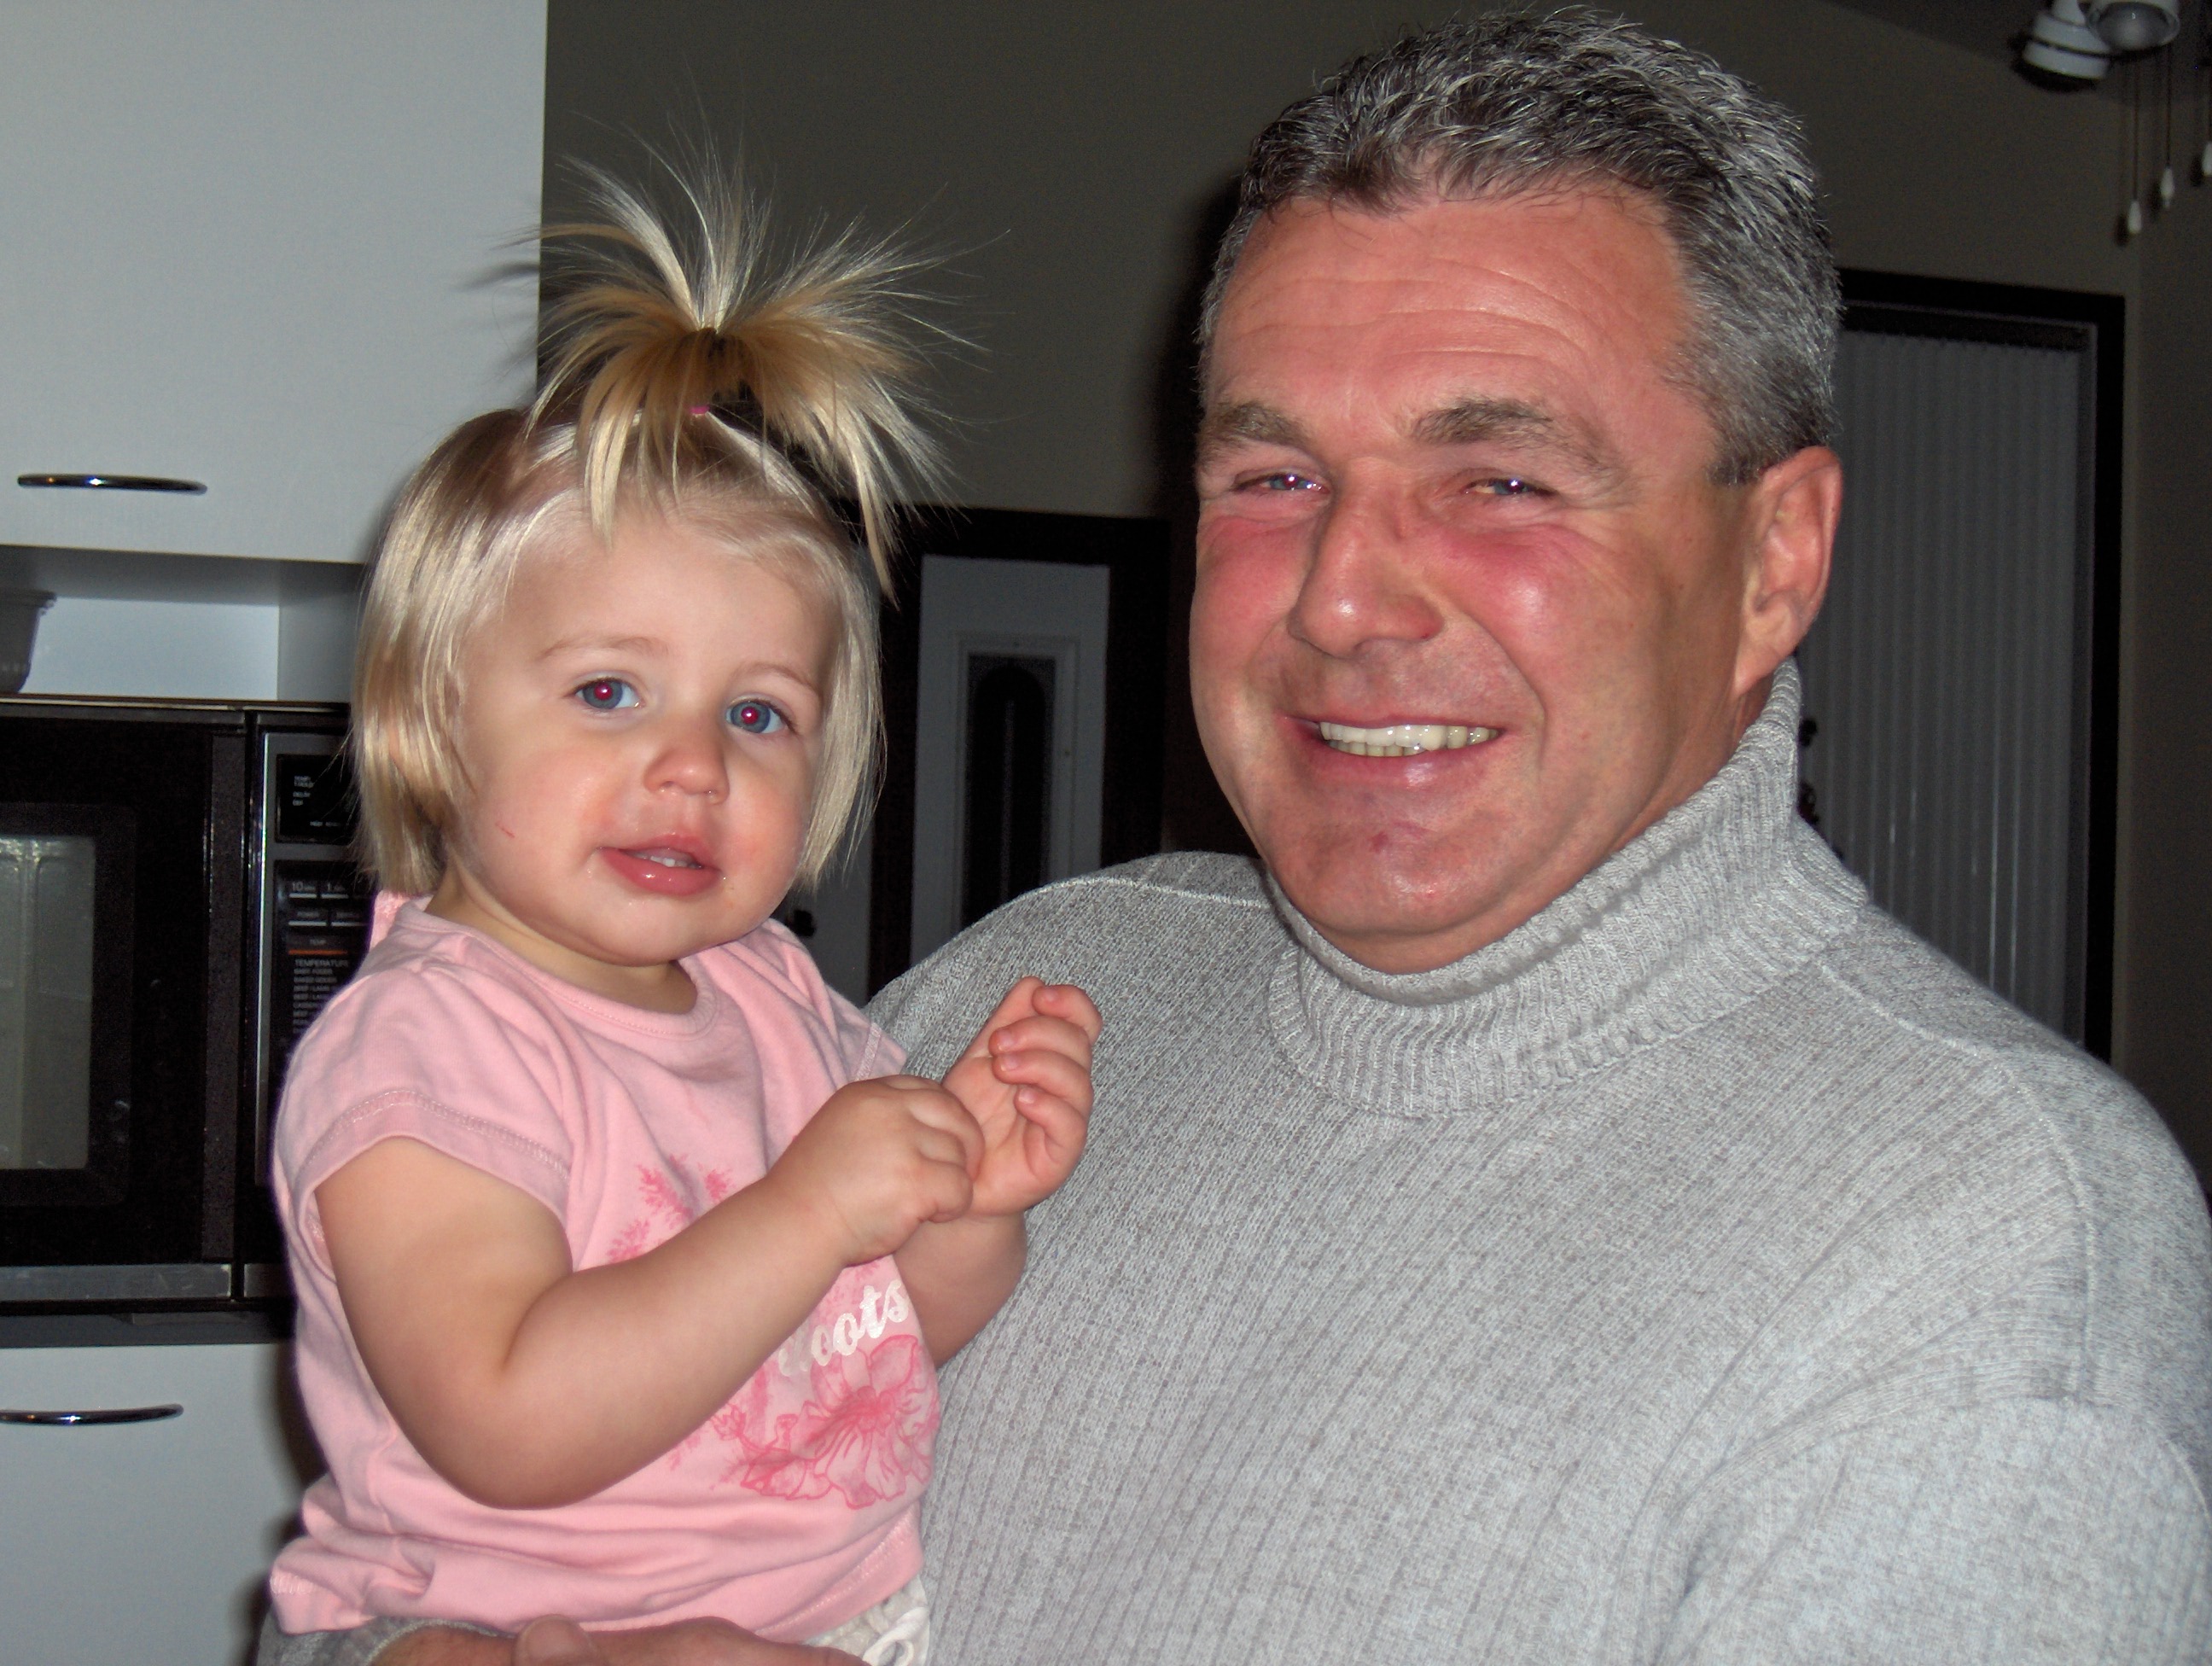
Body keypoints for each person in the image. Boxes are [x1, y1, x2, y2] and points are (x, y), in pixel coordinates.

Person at [867, 15, 2212, 1664]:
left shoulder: (1979, 1236)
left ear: (1777, 562)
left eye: (1500, 482)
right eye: (1275, 476)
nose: (1343, 601)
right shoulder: (1024, 995)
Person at [255, 172, 1099, 1666]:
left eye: (758, 714)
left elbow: (884, 1335)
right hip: (473, 1627)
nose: (693, 765)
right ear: (436, 724)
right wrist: (807, 1211)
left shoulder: (779, 1002)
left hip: (815, 1619)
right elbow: (507, 1422)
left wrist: (971, 1203)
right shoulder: (429, 1046)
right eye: (608, 691)